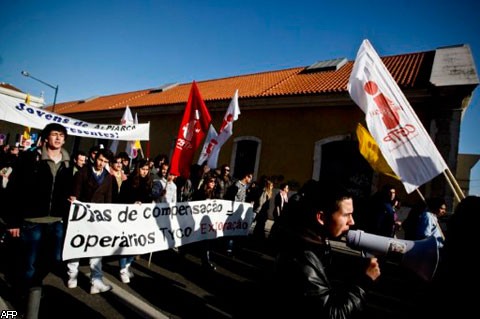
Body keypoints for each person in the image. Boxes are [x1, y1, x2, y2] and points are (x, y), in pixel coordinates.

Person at [273, 180, 381, 318]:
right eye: (346, 215)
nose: (352, 221)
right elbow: (332, 314)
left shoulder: (318, 243)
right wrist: (364, 282)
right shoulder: (302, 258)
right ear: (322, 217)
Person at [4, 123, 73, 318]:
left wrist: (71, 198)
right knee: (29, 263)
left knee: (56, 259)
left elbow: (67, 189)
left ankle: (32, 285)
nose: (58, 138)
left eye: (61, 135)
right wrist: (13, 222)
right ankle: (20, 301)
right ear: (46, 138)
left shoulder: (69, 163)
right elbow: (14, 190)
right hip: (32, 220)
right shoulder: (29, 158)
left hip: (56, 221)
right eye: (54, 135)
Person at [66, 148, 114, 294]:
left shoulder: (108, 177)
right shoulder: (83, 172)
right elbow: (75, 192)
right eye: (100, 160)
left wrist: (108, 217)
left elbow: (108, 199)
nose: (102, 163)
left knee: (97, 248)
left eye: (105, 162)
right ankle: (72, 276)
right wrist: (73, 199)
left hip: (98, 218)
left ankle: (96, 281)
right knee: (76, 245)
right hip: (80, 216)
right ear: (95, 158)